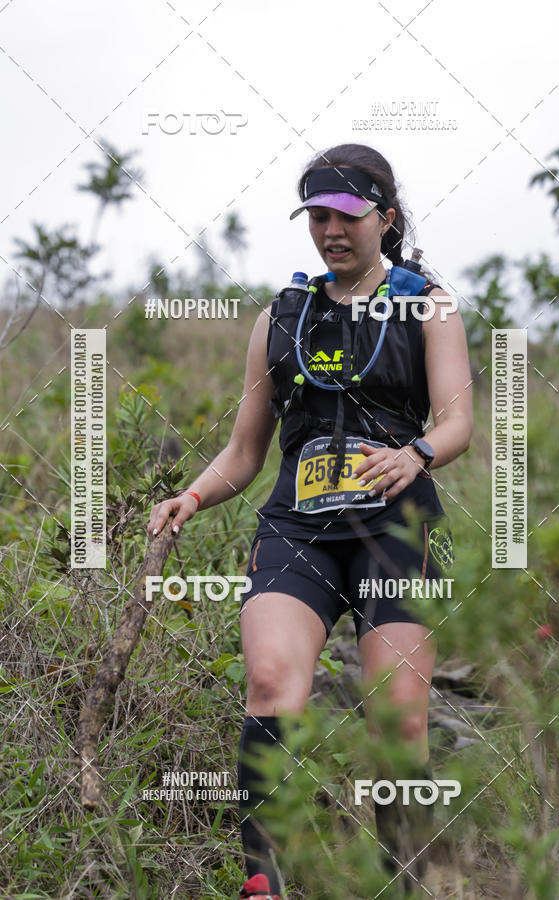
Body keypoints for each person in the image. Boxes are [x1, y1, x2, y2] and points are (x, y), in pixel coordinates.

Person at [147, 143, 472, 899]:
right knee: (269, 683)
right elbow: (244, 451)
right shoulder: (280, 317)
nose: (331, 230)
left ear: (385, 219)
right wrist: (191, 496)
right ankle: (266, 883)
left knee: (399, 721)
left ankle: (402, 883)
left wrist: (417, 453)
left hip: (398, 529)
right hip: (300, 529)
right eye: (318, 216)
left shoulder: (429, 306)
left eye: (347, 216)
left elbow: (457, 423)